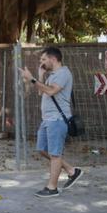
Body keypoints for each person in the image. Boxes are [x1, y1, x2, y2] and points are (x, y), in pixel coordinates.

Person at [20, 47, 84, 198]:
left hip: (57, 119)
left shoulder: (63, 73)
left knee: (55, 154)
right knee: (42, 149)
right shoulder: (52, 75)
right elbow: (41, 91)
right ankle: (72, 171)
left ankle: (52, 188)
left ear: (53, 59)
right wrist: (40, 76)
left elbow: (50, 91)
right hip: (47, 119)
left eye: (43, 60)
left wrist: (32, 79)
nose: (41, 63)